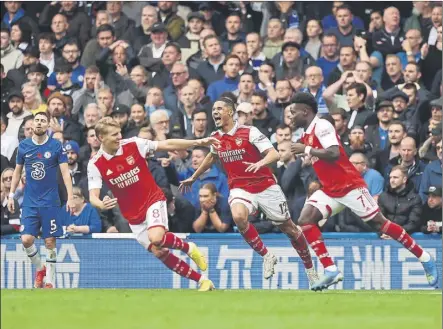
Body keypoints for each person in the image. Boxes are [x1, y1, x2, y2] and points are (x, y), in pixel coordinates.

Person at [289, 92, 438, 291]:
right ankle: (331, 269)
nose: (291, 116)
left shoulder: (322, 126)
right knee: (305, 219)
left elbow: (334, 153)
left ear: (305, 111)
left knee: (381, 224)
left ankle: (424, 257)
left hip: (349, 186)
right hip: (330, 189)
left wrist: (307, 150)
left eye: (294, 112)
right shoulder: (307, 133)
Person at [179, 95, 319, 287]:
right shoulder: (216, 137)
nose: (215, 112)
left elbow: (274, 153)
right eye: (214, 110)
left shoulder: (249, 132)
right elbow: (211, 158)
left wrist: (260, 163)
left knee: (290, 229)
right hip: (239, 188)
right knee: (238, 216)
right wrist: (194, 177)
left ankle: (311, 270)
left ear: (230, 111)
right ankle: (267, 255)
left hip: (265, 186)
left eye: (219, 109)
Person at [87, 117, 218, 291]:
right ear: (101, 138)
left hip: (152, 200)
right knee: (159, 251)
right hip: (133, 215)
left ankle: (189, 247)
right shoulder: (95, 163)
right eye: (114, 134)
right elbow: (93, 196)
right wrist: (101, 205)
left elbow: (167, 145)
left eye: (119, 132)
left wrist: (197, 142)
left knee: (156, 238)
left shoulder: (133, 144)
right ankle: (203, 281)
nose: (120, 136)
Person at [7, 111, 75, 289]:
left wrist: (70, 197)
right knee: (26, 239)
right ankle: (40, 268)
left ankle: (51, 281)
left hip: (51, 202)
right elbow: (16, 172)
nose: (38, 123)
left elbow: (65, 173)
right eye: (36, 120)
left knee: (50, 241)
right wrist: (11, 194)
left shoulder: (56, 146)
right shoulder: (23, 146)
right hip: (30, 202)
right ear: (32, 124)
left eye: (42, 121)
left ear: (47, 126)